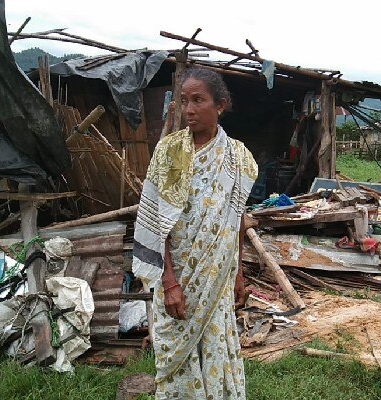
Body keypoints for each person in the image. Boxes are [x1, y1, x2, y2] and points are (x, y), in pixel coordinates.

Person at [132, 67, 258, 399]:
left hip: (216, 276)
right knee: (176, 359)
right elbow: (156, 223)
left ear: (220, 105)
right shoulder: (169, 153)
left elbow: (235, 224)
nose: (188, 110)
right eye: (184, 101)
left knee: (215, 349)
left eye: (198, 100)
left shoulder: (238, 158)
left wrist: (238, 273)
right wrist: (169, 283)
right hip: (177, 275)